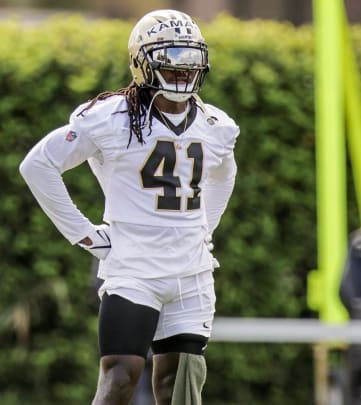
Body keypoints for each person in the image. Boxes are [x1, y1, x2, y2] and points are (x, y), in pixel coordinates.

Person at [19, 9, 239, 405]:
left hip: (191, 274)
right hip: (133, 269)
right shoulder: (110, 118)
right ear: (142, 62)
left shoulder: (216, 125)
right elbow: (38, 164)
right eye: (169, 58)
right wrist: (83, 233)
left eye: (189, 58)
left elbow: (224, 175)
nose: (181, 69)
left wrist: (205, 229)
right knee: (120, 377)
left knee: (182, 388)